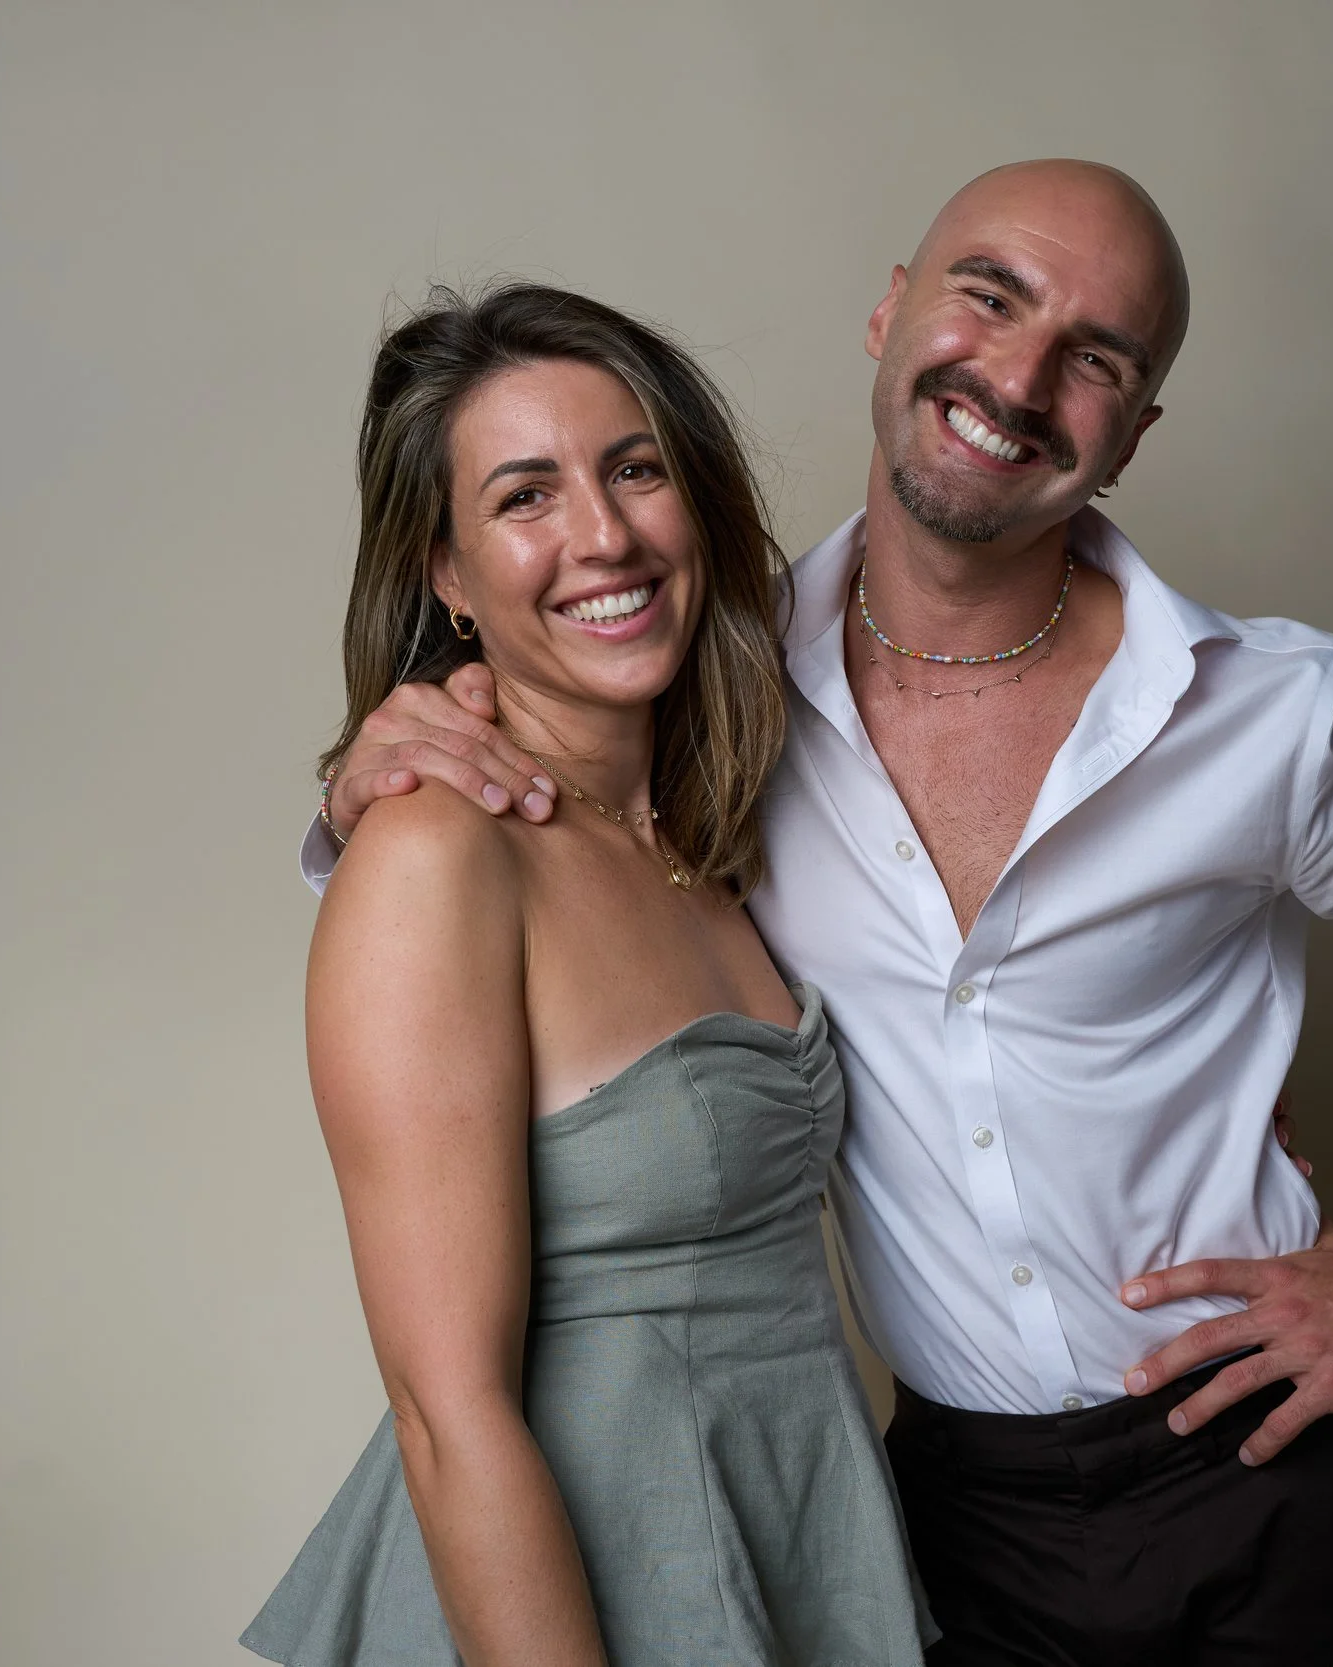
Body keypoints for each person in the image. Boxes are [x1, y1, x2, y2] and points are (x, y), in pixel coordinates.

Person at [312, 162, 1333, 1664]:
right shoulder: (730, 691)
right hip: (947, 1514)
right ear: (891, 312)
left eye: (1098, 359)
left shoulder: (1270, 719)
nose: (1020, 381)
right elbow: (514, 891)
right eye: (990, 297)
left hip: (1258, 1481)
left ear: (1134, 431)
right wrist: (378, 781)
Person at [241, 284, 934, 1666]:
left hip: (787, 1548)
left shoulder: (712, 835)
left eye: (634, 469)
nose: (604, 535)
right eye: (524, 496)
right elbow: (447, 1413)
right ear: (446, 574)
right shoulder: (437, 853)